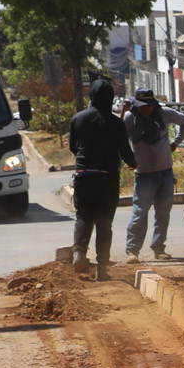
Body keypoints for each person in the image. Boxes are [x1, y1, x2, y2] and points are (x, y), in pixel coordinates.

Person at [66, 76, 128, 280]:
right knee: (104, 223)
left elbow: (73, 147)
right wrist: (136, 165)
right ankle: (102, 268)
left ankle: (79, 253)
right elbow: (125, 152)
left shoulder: (78, 119)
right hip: (108, 178)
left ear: (91, 96)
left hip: (84, 176)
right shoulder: (116, 123)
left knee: (83, 216)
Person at [120, 88, 184, 261]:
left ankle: (159, 248)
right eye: (142, 106)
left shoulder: (164, 113)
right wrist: (129, 160)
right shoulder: (130, 118)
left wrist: (176, 142)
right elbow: (121, 140)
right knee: (140, 213)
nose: (146, 109)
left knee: (163, 213)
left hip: (165, 172)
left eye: (149, 106)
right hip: (144, 174)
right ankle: (132, 251)